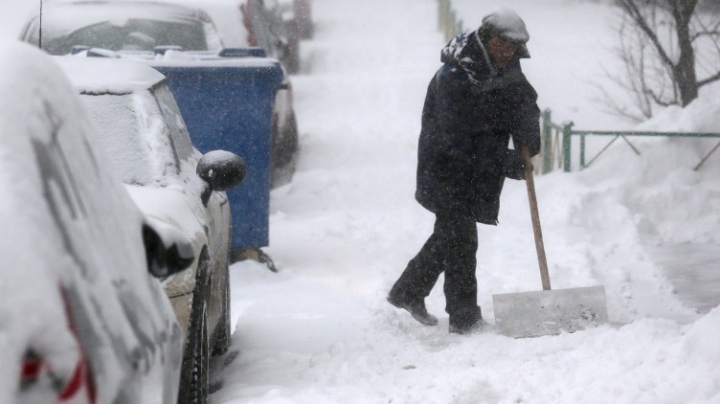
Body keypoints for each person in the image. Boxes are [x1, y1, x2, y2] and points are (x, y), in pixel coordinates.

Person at [387, 8, 541, 334]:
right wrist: (504, 160)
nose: (506, 52)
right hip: (445, 168)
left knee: (451, 236)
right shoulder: (455, 77)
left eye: (512, 47)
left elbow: (524, 102)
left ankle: (408, 291)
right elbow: (457, 138)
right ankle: (464, 317)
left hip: (474, 171)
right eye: (501, 44)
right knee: (461, 241)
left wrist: (529, 132)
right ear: (486, 39)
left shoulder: (506, 70)